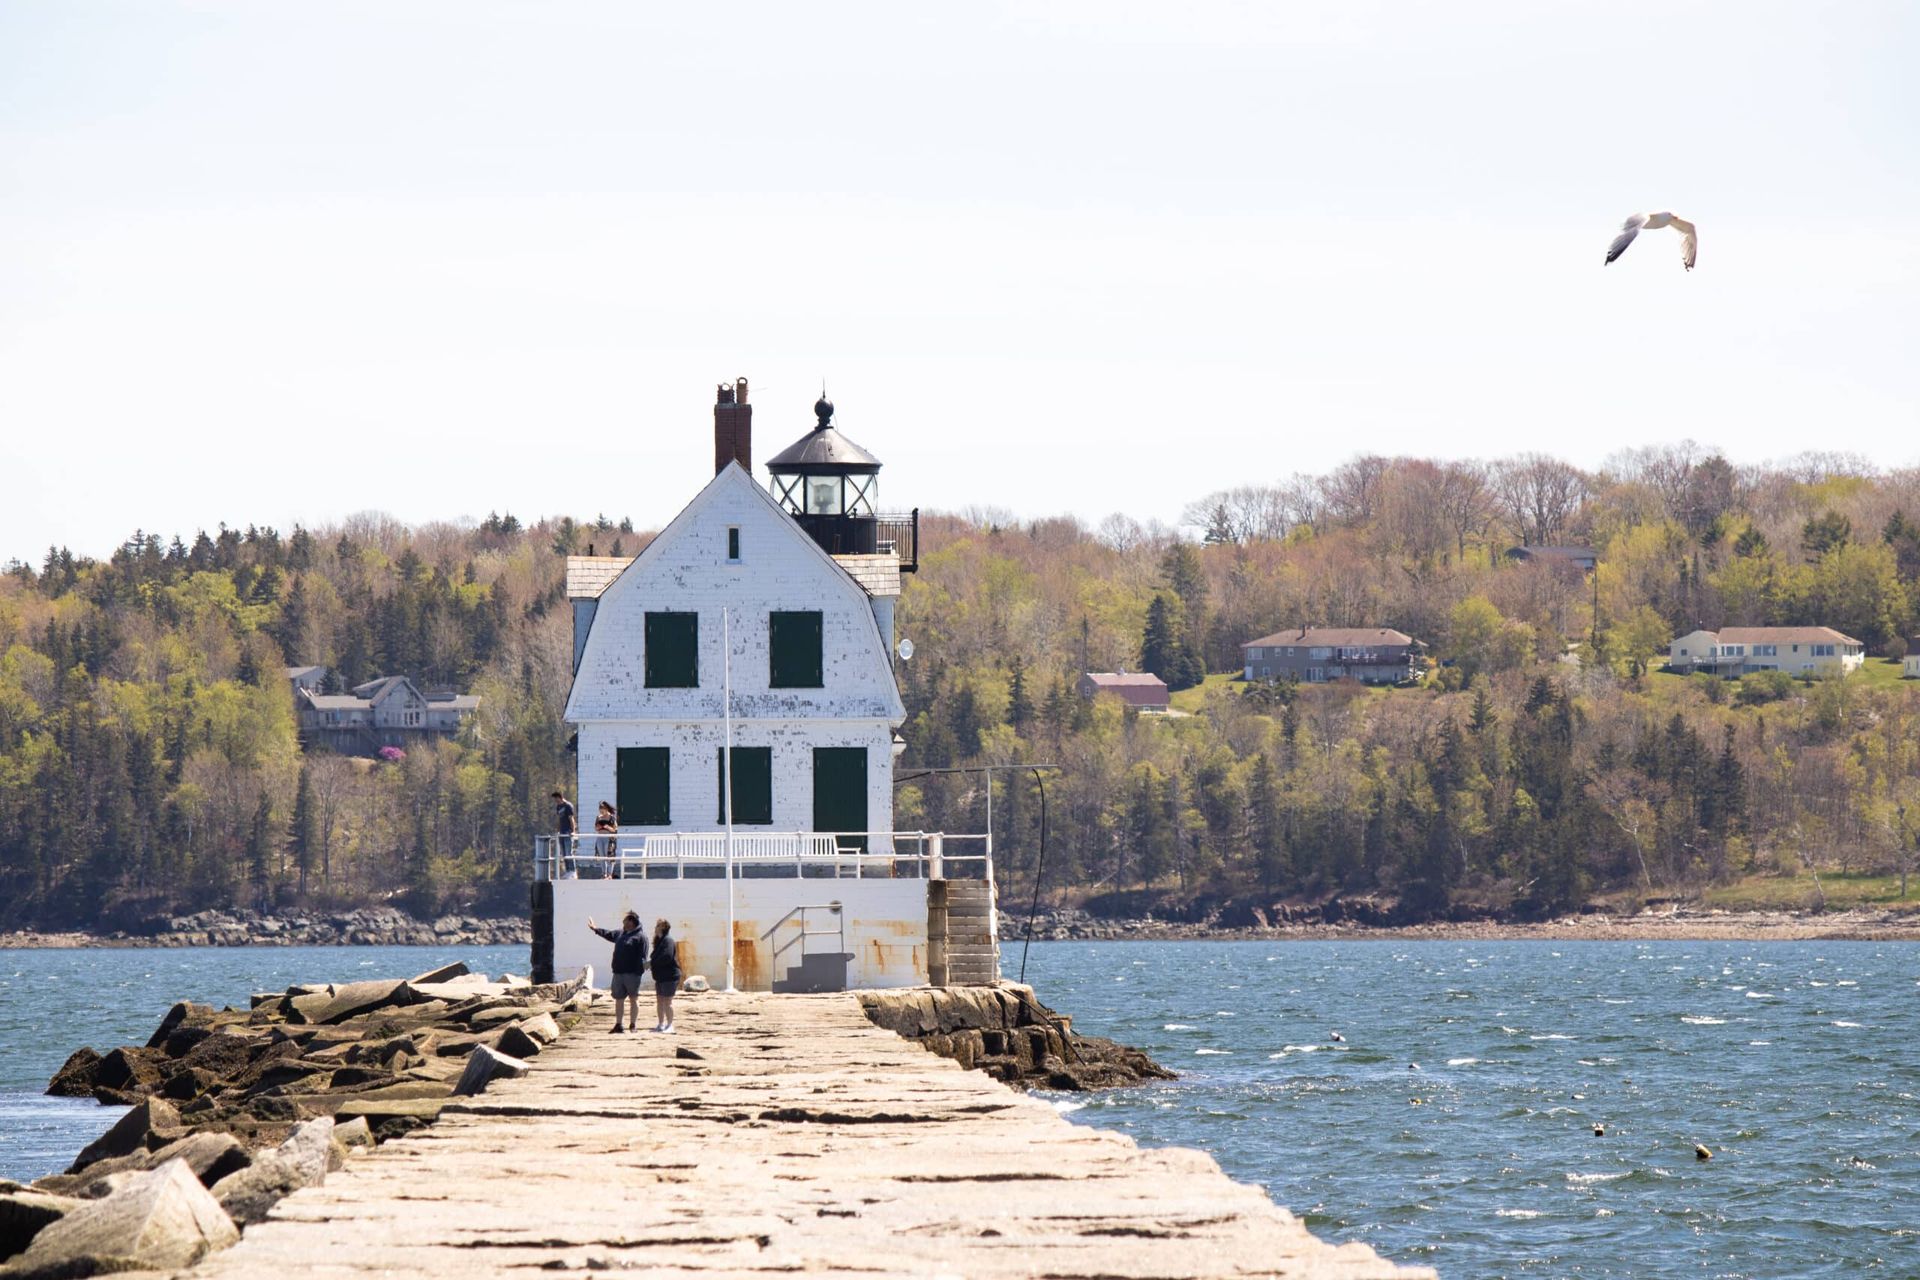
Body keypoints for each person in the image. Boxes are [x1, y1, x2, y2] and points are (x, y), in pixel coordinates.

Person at [587, 910, 648, 1033]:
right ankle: (619, 1025)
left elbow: (643, 957)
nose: (623, 922)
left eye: (625, 920)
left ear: (631, 921)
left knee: (633, 999)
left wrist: (638, 972)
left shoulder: (641, 937)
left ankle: (633, 1025)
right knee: (619, 999)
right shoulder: (620, 933)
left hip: (632, 974)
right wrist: (595, 929)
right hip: (618, 973)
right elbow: (608, 934)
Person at [649, 917, 681, 1033]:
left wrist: (652, 963)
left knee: (668, 1001)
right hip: (661, 976)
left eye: (657, 926)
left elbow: (666, 957)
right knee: (660, 1000)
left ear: (662, 927)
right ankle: (661, 1024)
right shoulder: (660, 941)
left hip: (670, 976)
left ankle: (670, 1025)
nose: (655, 928)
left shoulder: (668, 940)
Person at [551, 790, 577, 876]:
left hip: (568, 831)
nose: (555, 801)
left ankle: (572, 871)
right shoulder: (558, 807)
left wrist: (573, 831)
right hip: (562, 832)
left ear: (560, 797)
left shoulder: (568, 806)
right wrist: (557, 830)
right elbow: (559, 819)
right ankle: (568, 870)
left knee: (568, 852)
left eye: (556, 799)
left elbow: (571, 819)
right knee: (563, 853)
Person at [594, 801, 619, 878]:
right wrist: (599, 827)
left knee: (609, 856)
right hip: (600, 838)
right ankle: (604, 873)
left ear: (607, 809)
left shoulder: (611, 817)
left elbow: (615, 829)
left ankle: (609, 874)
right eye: (600, 808)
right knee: (602, 856)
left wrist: (608, 827)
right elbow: (595, 828)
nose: (601, 810)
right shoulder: (598, 817)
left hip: (608, 838)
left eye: (603, 808)